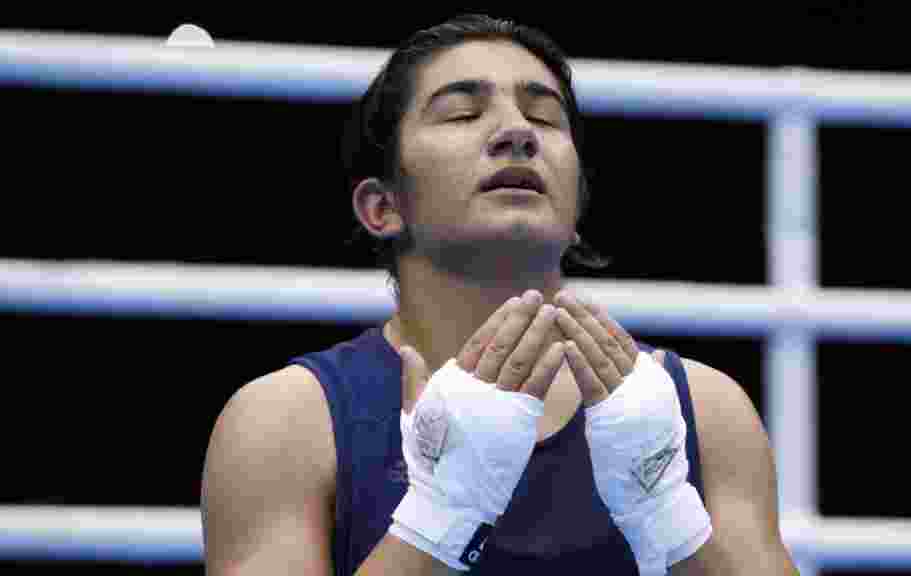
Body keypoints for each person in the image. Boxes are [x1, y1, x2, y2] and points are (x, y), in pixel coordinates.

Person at [200, 14, 798, 576]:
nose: (516, 133)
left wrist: (667, 515)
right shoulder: (286, 420)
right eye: (462, 113)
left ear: (577, 209)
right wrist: (439, 517)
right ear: (383, 206)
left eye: (544, 118)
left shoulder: (704, 408)